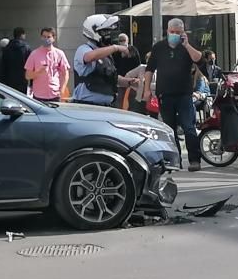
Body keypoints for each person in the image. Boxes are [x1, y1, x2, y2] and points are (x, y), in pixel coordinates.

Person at [143, 18, 204, 172]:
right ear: (167, 31)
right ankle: (174, 160)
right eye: (172, 32)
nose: (175, 35)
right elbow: (149, 69)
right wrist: (147, 90)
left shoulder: (187, 46)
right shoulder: (159, 47)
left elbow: (199, 59)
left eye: (178, 32)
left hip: (184, 94)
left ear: (183, 32)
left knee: (189, 127)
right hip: (165, 94)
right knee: (169, 130)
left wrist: (187, 45)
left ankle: (194, 160)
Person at [72, 15, 135, 107]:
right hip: (87, 106)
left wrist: (129, 82)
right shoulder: (84, 49)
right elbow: (88, 57)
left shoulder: (106, 54)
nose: (109, 34)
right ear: (94, 32)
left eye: (109, 31)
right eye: (105, 31)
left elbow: (110, 78)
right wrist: (115, 47)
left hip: (107, 105)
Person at [24, 27, 70, 103]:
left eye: (48, 37)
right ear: (41, 37)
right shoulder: (34, 54)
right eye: (44, 37)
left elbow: (66, 73)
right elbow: (27, 76)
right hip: (39, 96)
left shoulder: (59, 53)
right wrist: (38, 72)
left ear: (54, 38)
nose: (46, 39)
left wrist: (62, 89)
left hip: (55, 95)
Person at [1, 27, 31, 93]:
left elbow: (3, 65)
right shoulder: (26, 48)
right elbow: (30, 66)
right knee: (22, 99)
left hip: (9, 78)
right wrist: (31, 82)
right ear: (22, 35)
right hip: (22, 78)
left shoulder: (7, 48)